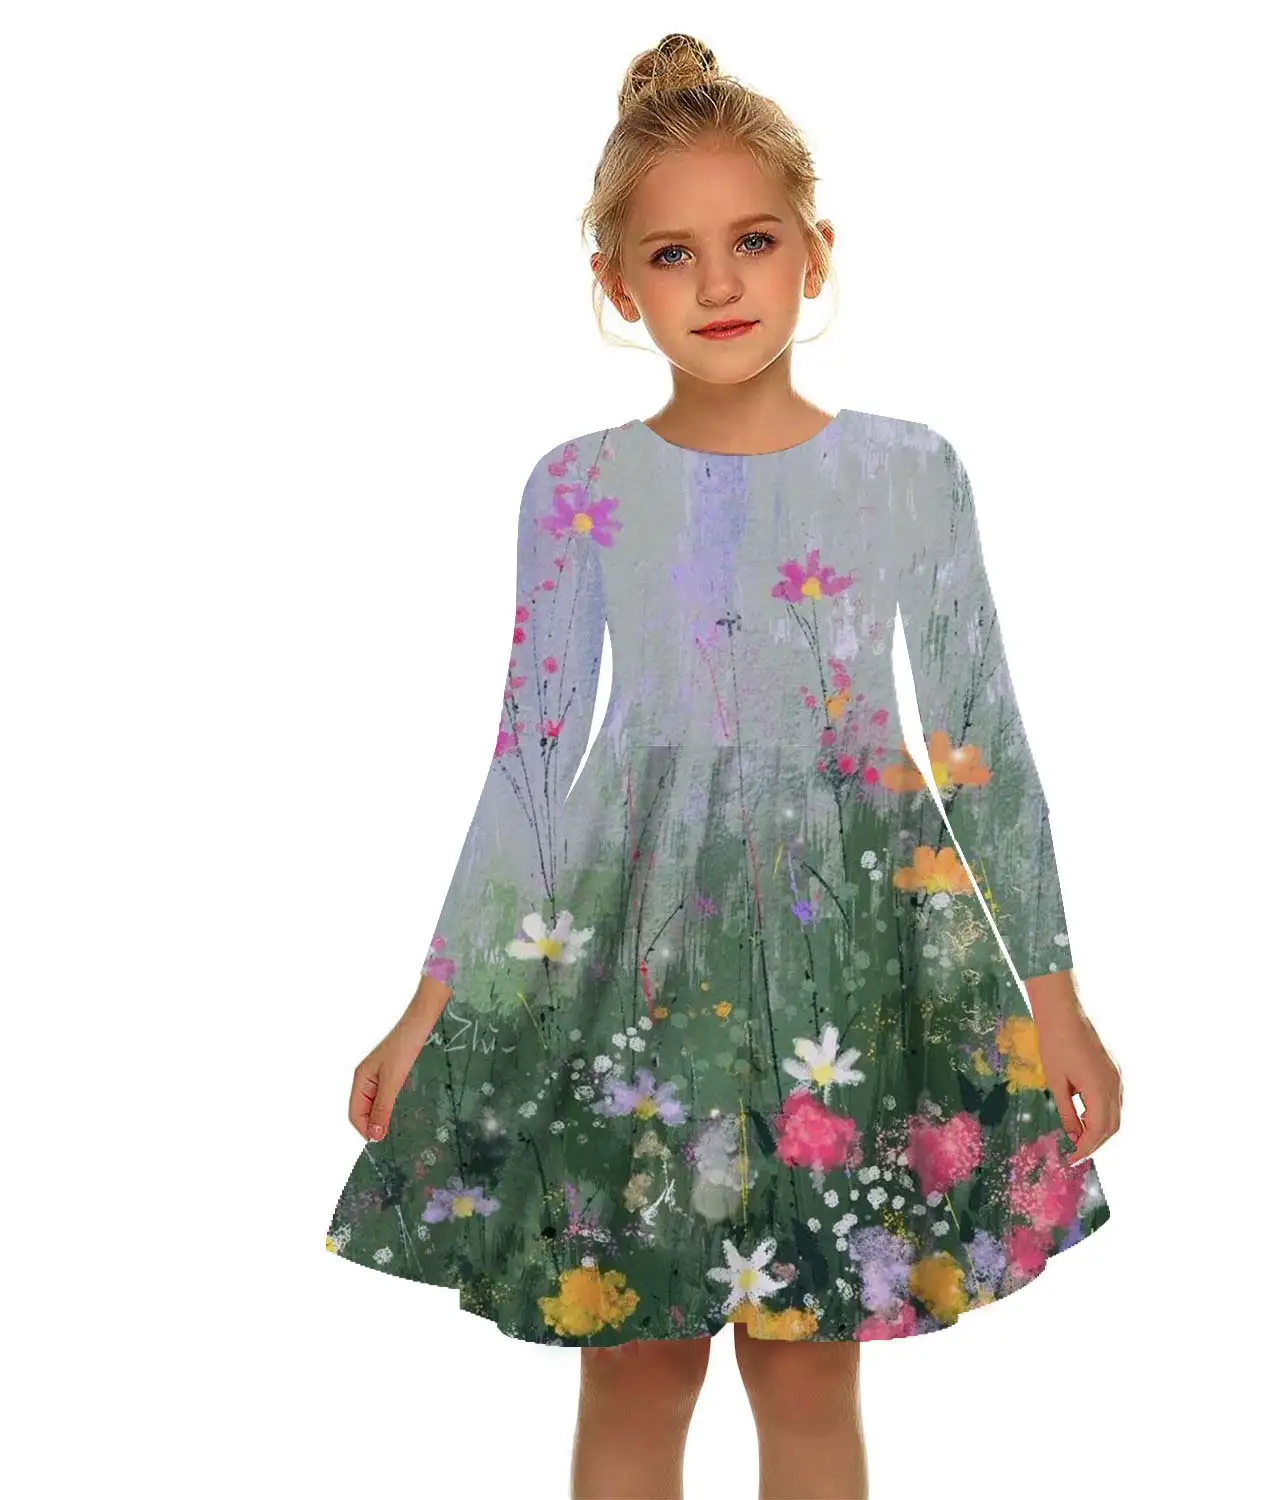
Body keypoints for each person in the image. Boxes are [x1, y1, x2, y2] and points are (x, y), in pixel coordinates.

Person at [325, 32, 1122, 1500]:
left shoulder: (908, 471)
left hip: (853, 966)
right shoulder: (577, 488)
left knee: (809, 1368)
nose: (718, 284)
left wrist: (1056, 1005)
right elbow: (530, 766)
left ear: (817, 251)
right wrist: (429, 1006)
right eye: (671, 255)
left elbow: (979, 745)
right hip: (631, 961)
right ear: (614, 285)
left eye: (752, 240)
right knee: (633, 1359)